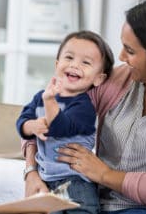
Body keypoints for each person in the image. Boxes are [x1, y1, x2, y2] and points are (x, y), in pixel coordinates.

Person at [22, 0, 146, 214]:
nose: (121, 56)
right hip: (96, 203)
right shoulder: (119, 82)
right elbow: (42, 118)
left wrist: (103, 174)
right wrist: (31, 171)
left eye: (130, 50)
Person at [17, 30, 114, 214]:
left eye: (86, 62)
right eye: (69, 57)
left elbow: (60, 127)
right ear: (57, 64)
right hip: (46, 178)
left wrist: (49, 101)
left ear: (98, 78)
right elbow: (22, 122)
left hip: (76, 180)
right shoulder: (41, 97)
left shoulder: (84, 106)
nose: (74, 65)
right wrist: (31, 126)